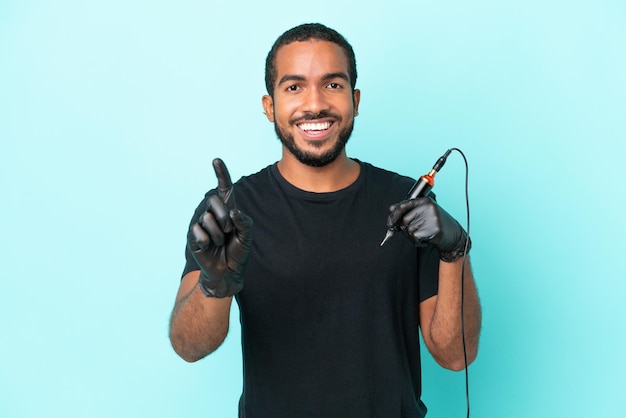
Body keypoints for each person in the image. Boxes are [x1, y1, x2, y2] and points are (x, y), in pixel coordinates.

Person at [169, 23, 481, 418]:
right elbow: (188, 346)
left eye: (333, 85)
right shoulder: (230, 213)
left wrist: (455, 251)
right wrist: (216, 285)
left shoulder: (408, 205)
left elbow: (454, 356)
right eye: (294, 87)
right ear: (270, 106)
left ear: (355, 99)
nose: (314, 104)